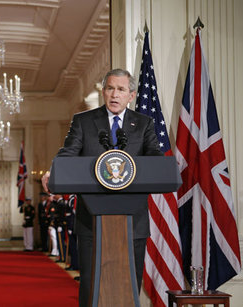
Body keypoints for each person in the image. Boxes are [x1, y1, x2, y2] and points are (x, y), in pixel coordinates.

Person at [42, 68, 163, 307]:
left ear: (131, 95)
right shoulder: (84, 121)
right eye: (110, 88)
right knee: (90, 283)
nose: (114, 94)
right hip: (91, 220)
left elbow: (155, 161)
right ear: (103, 92)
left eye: (120, 89)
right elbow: (68, 154)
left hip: (133, 221)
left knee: (130, 282)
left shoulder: (143, 124)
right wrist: (52, 170)